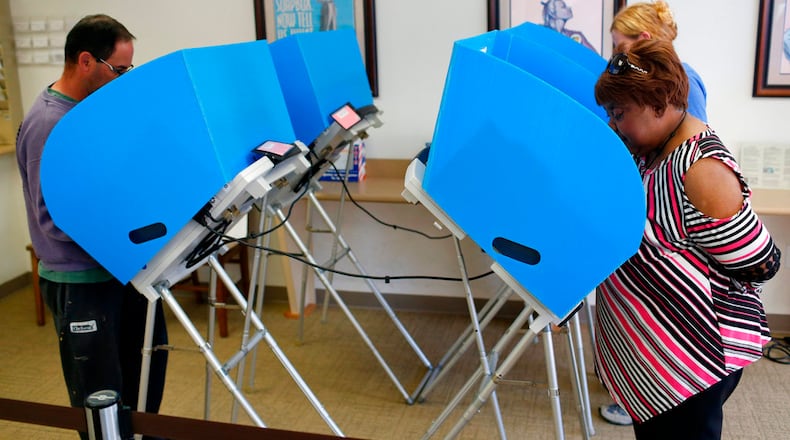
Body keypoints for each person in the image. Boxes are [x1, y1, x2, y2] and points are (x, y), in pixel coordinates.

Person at [593, 38, 781, 440]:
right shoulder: (653, 147)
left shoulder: (700, 168)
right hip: (660, 358)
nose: (614, 123)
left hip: (693, 363)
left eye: (620, 113)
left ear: (660, 104)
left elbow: (762, 261)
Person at [16, 14, 168, 439]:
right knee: (100, 401)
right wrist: (126, 236)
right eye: (119, 70)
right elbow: (52, 219)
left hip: (122, 267)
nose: (124, 79)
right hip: (82, 281)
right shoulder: (48, 124)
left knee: (143, 379)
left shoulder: (91, 112)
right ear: (86, 61)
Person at [600, 1, 708, 425]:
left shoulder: (684, 94)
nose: (614, 54)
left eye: (618, 45)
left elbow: (683, 165)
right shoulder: (660, 85)